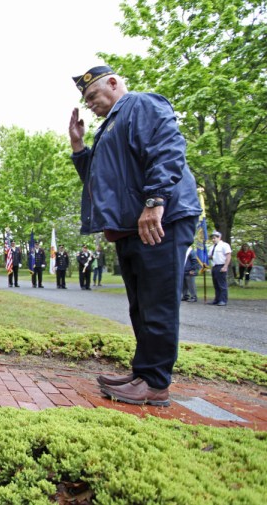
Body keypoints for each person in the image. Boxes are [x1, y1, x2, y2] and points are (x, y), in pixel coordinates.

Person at [68, 64, 201, 406]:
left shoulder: (140, 105)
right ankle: (144, 372)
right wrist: (79, 146)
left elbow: (167, 149)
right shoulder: (110, 126)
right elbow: (100, 180)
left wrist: (155, 200)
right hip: (132, 226)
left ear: (113, 83)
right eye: (86, 99)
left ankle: (155, 383)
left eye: (93, 95)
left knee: (157, 302)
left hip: (160, 220)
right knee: (141, 306)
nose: (91, 103)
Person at [208, 231, 231, 306]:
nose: (213, 239)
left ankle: (223, 300)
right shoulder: (212, 247)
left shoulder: (224, 245)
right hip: (214, 266)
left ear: (219, 237)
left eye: (215, 238)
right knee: (216, 284)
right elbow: (210, 256)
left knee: (222, 284)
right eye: (212, 238)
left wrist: (225, 266)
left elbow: (228, 256)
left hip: (221, 265)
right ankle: (217, 299)